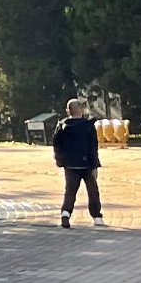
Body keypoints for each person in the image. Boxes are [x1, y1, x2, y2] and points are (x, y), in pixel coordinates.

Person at [53, 97, 104, 226]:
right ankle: (97, 216)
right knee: (92, 191)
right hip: (87, 164)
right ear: (81, 109)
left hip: (70, 164)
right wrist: (95, 165)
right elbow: (93, 147)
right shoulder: (88, 126)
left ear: (68, 111)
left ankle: (66, 213)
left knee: (70, 191)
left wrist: (60, 160)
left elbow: (57, 145)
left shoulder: (62, 126)